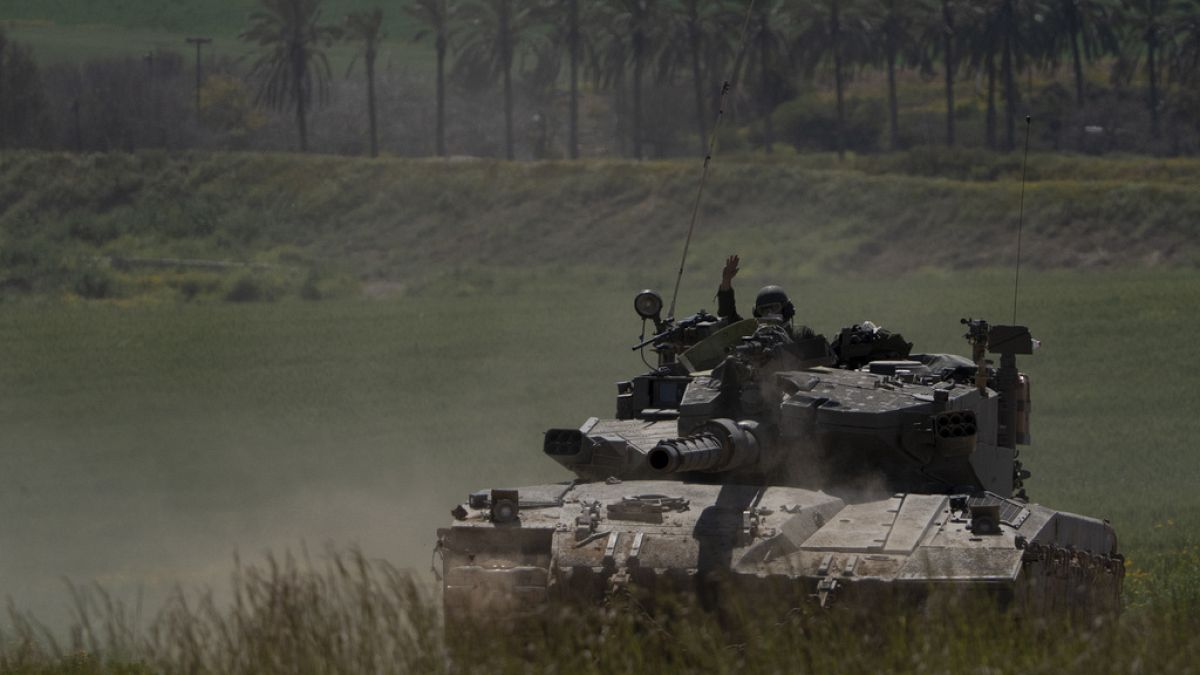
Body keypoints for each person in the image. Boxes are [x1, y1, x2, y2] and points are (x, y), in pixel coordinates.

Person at [717, 254, 815, 340]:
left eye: (774, 307)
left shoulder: (801, 334)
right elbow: (728, 315)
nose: (769, 313)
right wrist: (726, 280)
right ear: (757, 314)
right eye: (763, 310)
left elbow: (824, 357)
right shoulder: (751, 336)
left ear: (786, 309)